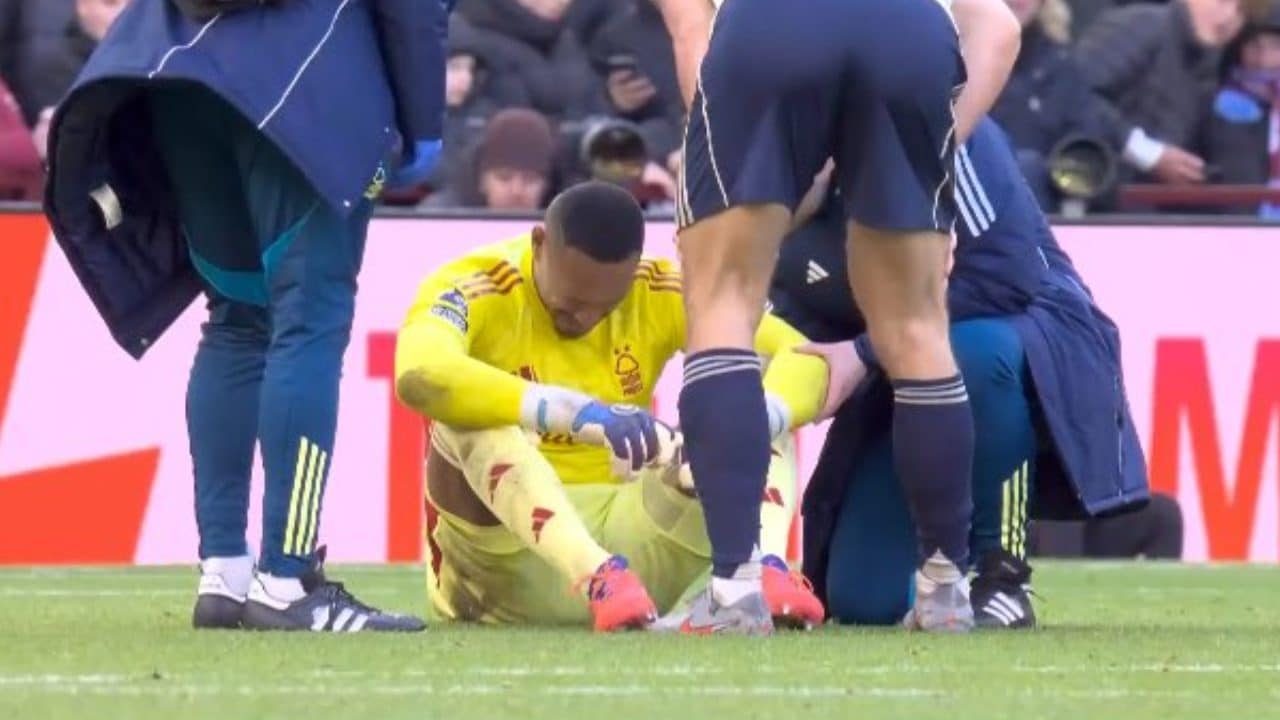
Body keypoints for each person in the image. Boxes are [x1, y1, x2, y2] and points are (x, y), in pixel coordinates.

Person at [43, 0, 450, 632]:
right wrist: (424, 121)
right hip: (305, 80)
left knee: (235, 318)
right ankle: (287, 579)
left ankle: (224, 570)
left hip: (176, 75)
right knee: (309, 321)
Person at [652, 0, 1021, 635]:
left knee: (723, 301)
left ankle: (735, 590)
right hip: (906, 29)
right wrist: (934, 147)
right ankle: (944, 590)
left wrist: (724, 159)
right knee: (916, 327)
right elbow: (1000, 29)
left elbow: (691, 26)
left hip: (769, 26)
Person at [394, 181, 827, 631]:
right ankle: (592, 573)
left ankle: (765, 572)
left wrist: (759, 420)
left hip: (633, 565)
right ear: (539, 244)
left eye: (607, 307)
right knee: (466, 419)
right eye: (571, 304)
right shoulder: (475, 285)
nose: (587, 320)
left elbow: (802, 356)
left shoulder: (659, 289)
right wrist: (574, 414)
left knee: (749, 405)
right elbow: (419, 372)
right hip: (498, 576)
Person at [778, 118, 1149, 628]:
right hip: (897, 375)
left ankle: (1003, 576)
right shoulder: (776, 227)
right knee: (862, 601)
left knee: (971, 350)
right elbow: (790, 346)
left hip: (1023, 332)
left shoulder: (943, 128)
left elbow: (1007, 277)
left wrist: (864, 352)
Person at [1074, 0, 1244, 187]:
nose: (1229, 17)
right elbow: (1071, 95)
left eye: (1241, 10)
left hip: (1147, 202)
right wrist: (1146, 153)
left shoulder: (1209, 63)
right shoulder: (1144, 23)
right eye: (1222, 1)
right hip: (1089, 189)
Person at [1203, 2, 1280, 215]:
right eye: (1254, 46)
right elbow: (1238, 194)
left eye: (1276, 46)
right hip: (1248, 235)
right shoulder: (1226, 106)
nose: (1264, 60)